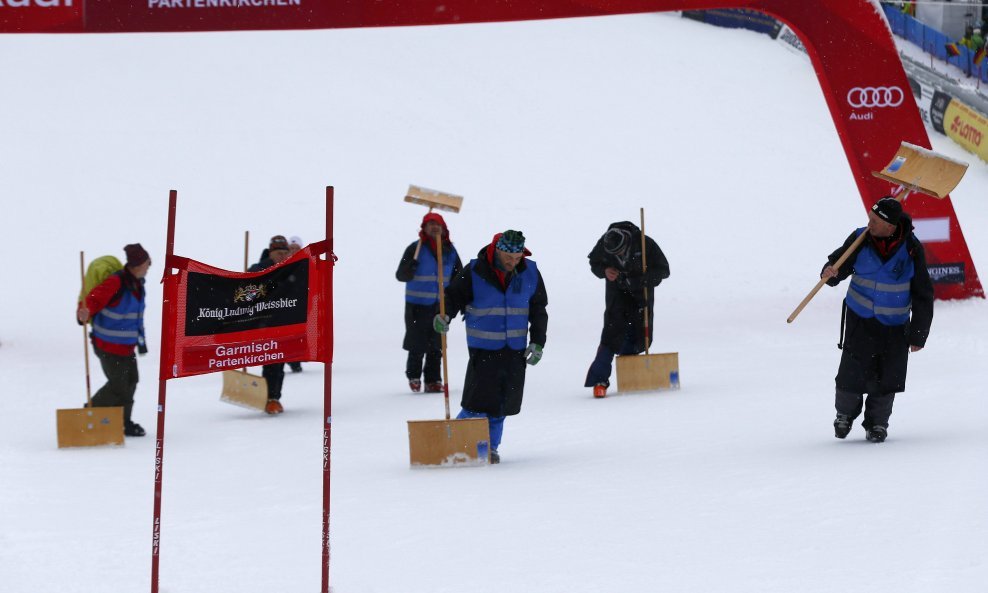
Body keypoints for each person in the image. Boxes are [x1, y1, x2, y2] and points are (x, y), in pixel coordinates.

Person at [821, 196, 933, 443]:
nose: (869, 224)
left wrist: (918, 333)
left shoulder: (912, 249)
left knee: (887, 377)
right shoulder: (860, 239)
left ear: (890, 227)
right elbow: (837, 267)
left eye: (874, 220)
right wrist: (829, 272)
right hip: (860, 319)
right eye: (869, 218)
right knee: (851, 373)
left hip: (895, 325)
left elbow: (923, 293)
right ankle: (844, 415)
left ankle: (878, 424)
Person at [433, 230, 548, 464]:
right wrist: (443, 315)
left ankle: (489, 448)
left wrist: (537, 342)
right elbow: (452, 297)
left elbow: (538, 311)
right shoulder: (475, 271)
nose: (512, 262)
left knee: (502, 405)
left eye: (517, 258)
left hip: (515, 349)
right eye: (508, 257)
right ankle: (456, 442)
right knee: (477, 403)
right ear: (497, 250)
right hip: (483, 348)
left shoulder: (530, 272)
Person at [584, 222, 670, 398]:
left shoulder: (645, 243)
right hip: (616, 297)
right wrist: (605, 270)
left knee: (637, 337)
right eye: (614, 255)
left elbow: (664, 270)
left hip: (640, 297)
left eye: (621, 251)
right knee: (610, 336)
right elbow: (594, 262)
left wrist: (646, 279)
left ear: (627, 242)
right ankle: (600, 380)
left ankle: (631, 376)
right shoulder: (604, 243)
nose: (619, 255)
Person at [76, 243, 151, 437]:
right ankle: (87, 415)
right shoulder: (116, 282)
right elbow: (92, 300)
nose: (149, 267)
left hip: (126, 347)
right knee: (118, 385)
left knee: (131, 381)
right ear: (138, 265)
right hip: (107, 346)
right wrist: (83, 313)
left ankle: (123, 422)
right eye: (147, 263)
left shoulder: (136, 284)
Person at [395, 213, 462, 392]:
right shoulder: (414, 249)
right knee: (417, 343)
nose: (434, 227)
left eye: (437, 224)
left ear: (444, 228)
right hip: (417, 304)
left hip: (440, 305)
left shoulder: (450, 251)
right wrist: (410, 268)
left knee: (437, 344)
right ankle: (414, 376)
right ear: (423, 228)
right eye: (430, 224)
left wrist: (458, 299)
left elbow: (459, 278)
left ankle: (433, 380)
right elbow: (401, 275)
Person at [248, 235, 291, 414]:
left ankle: (275, 398)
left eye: (284, 253)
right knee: (271, 361)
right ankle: (270, 398)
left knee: (280, 362)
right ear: (271, 253)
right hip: (265, 323)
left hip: (285, 322)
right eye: (278, 253)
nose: (282, 256)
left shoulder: (291, 268)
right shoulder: (260, 268)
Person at [287, 235, 305, 374]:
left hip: (299, 304)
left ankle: (296, 360)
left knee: (297, 333)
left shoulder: (304, 262)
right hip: (284, 303)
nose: (293, 250)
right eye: (291, 248)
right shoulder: (282, 262)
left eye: (296, 248)